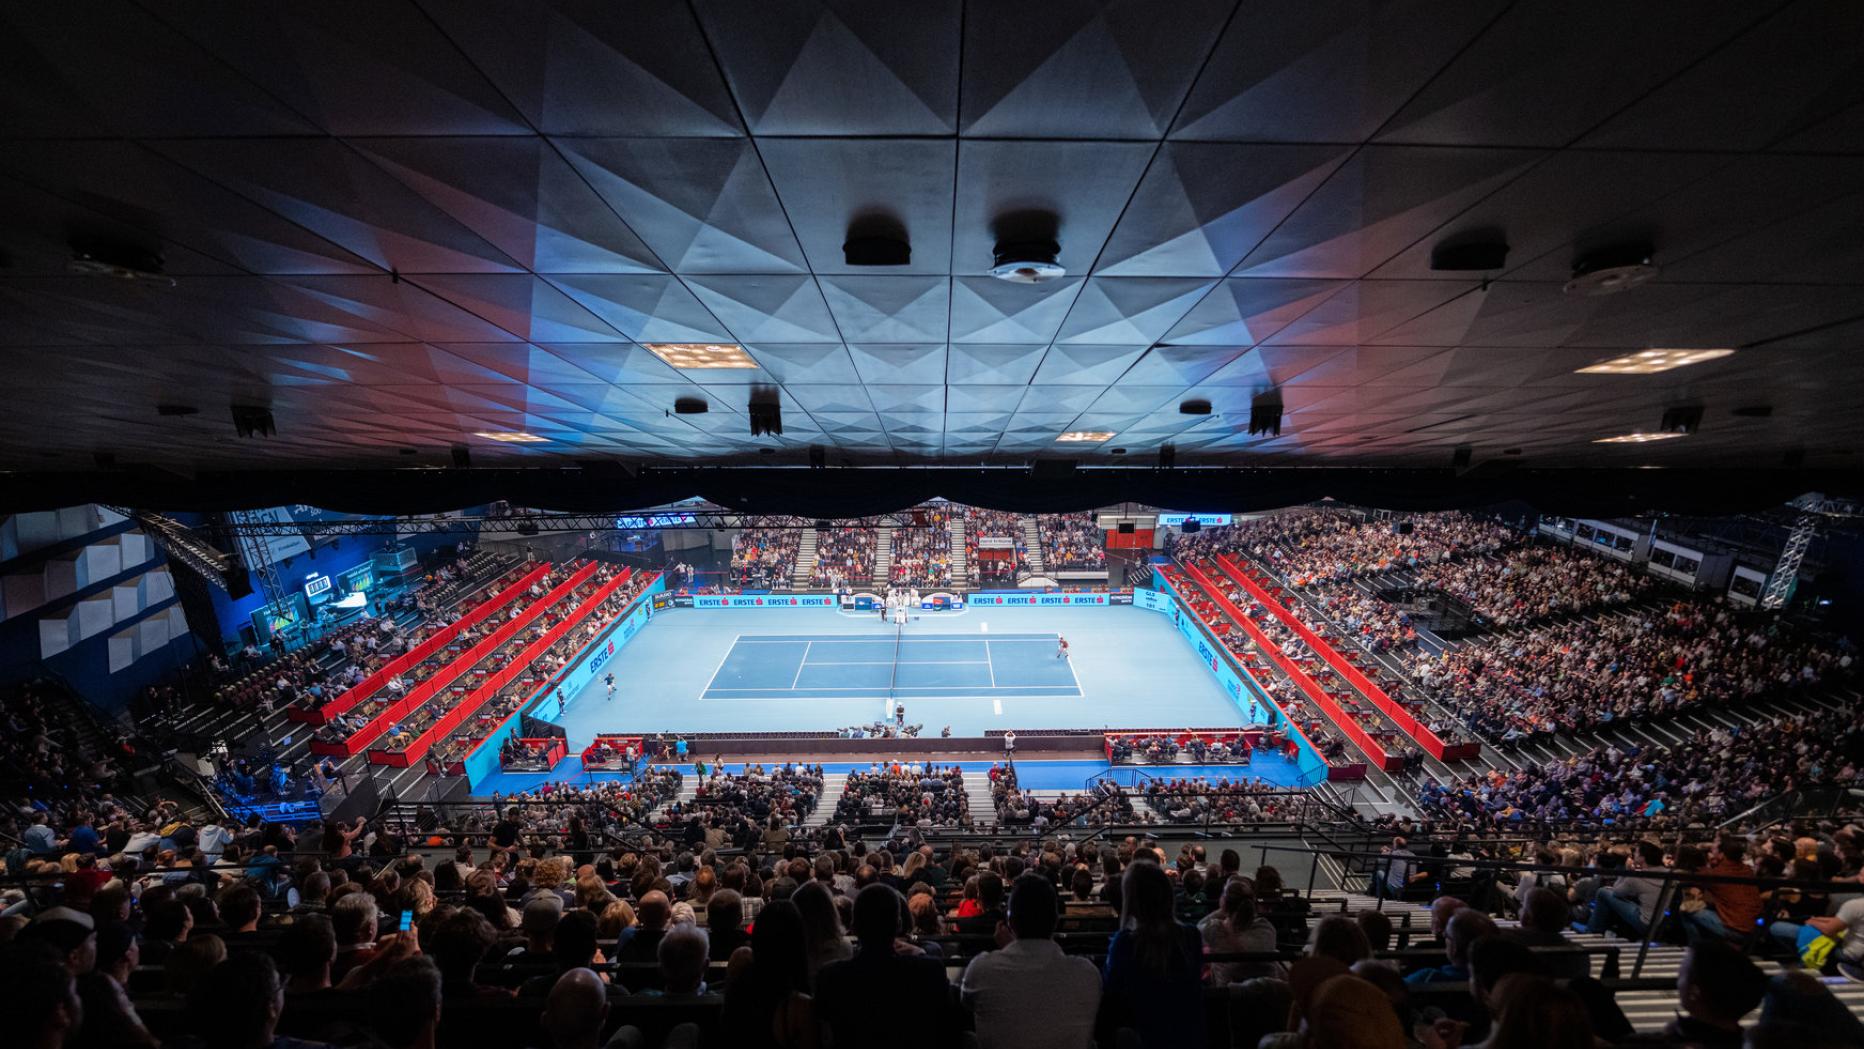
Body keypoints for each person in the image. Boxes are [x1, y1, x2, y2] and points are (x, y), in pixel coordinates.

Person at [961, 873, 1100, 1049]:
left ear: (1010, 921)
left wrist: (1008, 950)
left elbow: (967, 1003)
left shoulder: (981, 969)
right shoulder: (1087, 974)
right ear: (1056, 921)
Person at [815, 885, 958, 1049]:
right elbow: (948, 1024)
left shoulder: (830, 978)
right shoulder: (930, 970)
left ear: (853, 927)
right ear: (898, 925)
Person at [1100, 861, 1204, 1049]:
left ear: (1130, 900)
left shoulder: (1125, 943)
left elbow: (1111, 992)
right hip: (1188, 1037)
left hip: (1143, 1036)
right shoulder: (1191, 936)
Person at [1199, 877, 1281, 985]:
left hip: (1229, 996)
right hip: (1266, 995)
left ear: (1224, 902)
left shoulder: (1214, 929)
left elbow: (1198, 927)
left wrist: (1223, 910)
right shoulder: (1266, 928)